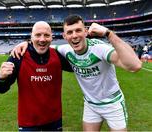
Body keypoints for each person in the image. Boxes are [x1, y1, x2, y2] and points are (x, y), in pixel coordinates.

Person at [11, 14, 142, 131]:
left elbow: (135, 65)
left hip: (113, 104)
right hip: (91, 105)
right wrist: (26, 43)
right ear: (64, 36)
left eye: (78, 30)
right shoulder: (64, 50)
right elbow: (41, 43)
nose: (74, 35)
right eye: (70, 32)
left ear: (85, 32)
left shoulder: (100, 49)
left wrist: (108, 34)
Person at [0, 21, 73, 131]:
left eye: (46, 35)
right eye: (38, 35)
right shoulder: (18, 56)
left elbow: (81, 65)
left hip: (54, 120)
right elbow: (0, 89)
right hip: (28, 123)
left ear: (52, 37)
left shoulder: (58, 56)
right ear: (31, 37)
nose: (42, 39)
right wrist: (1, 77)